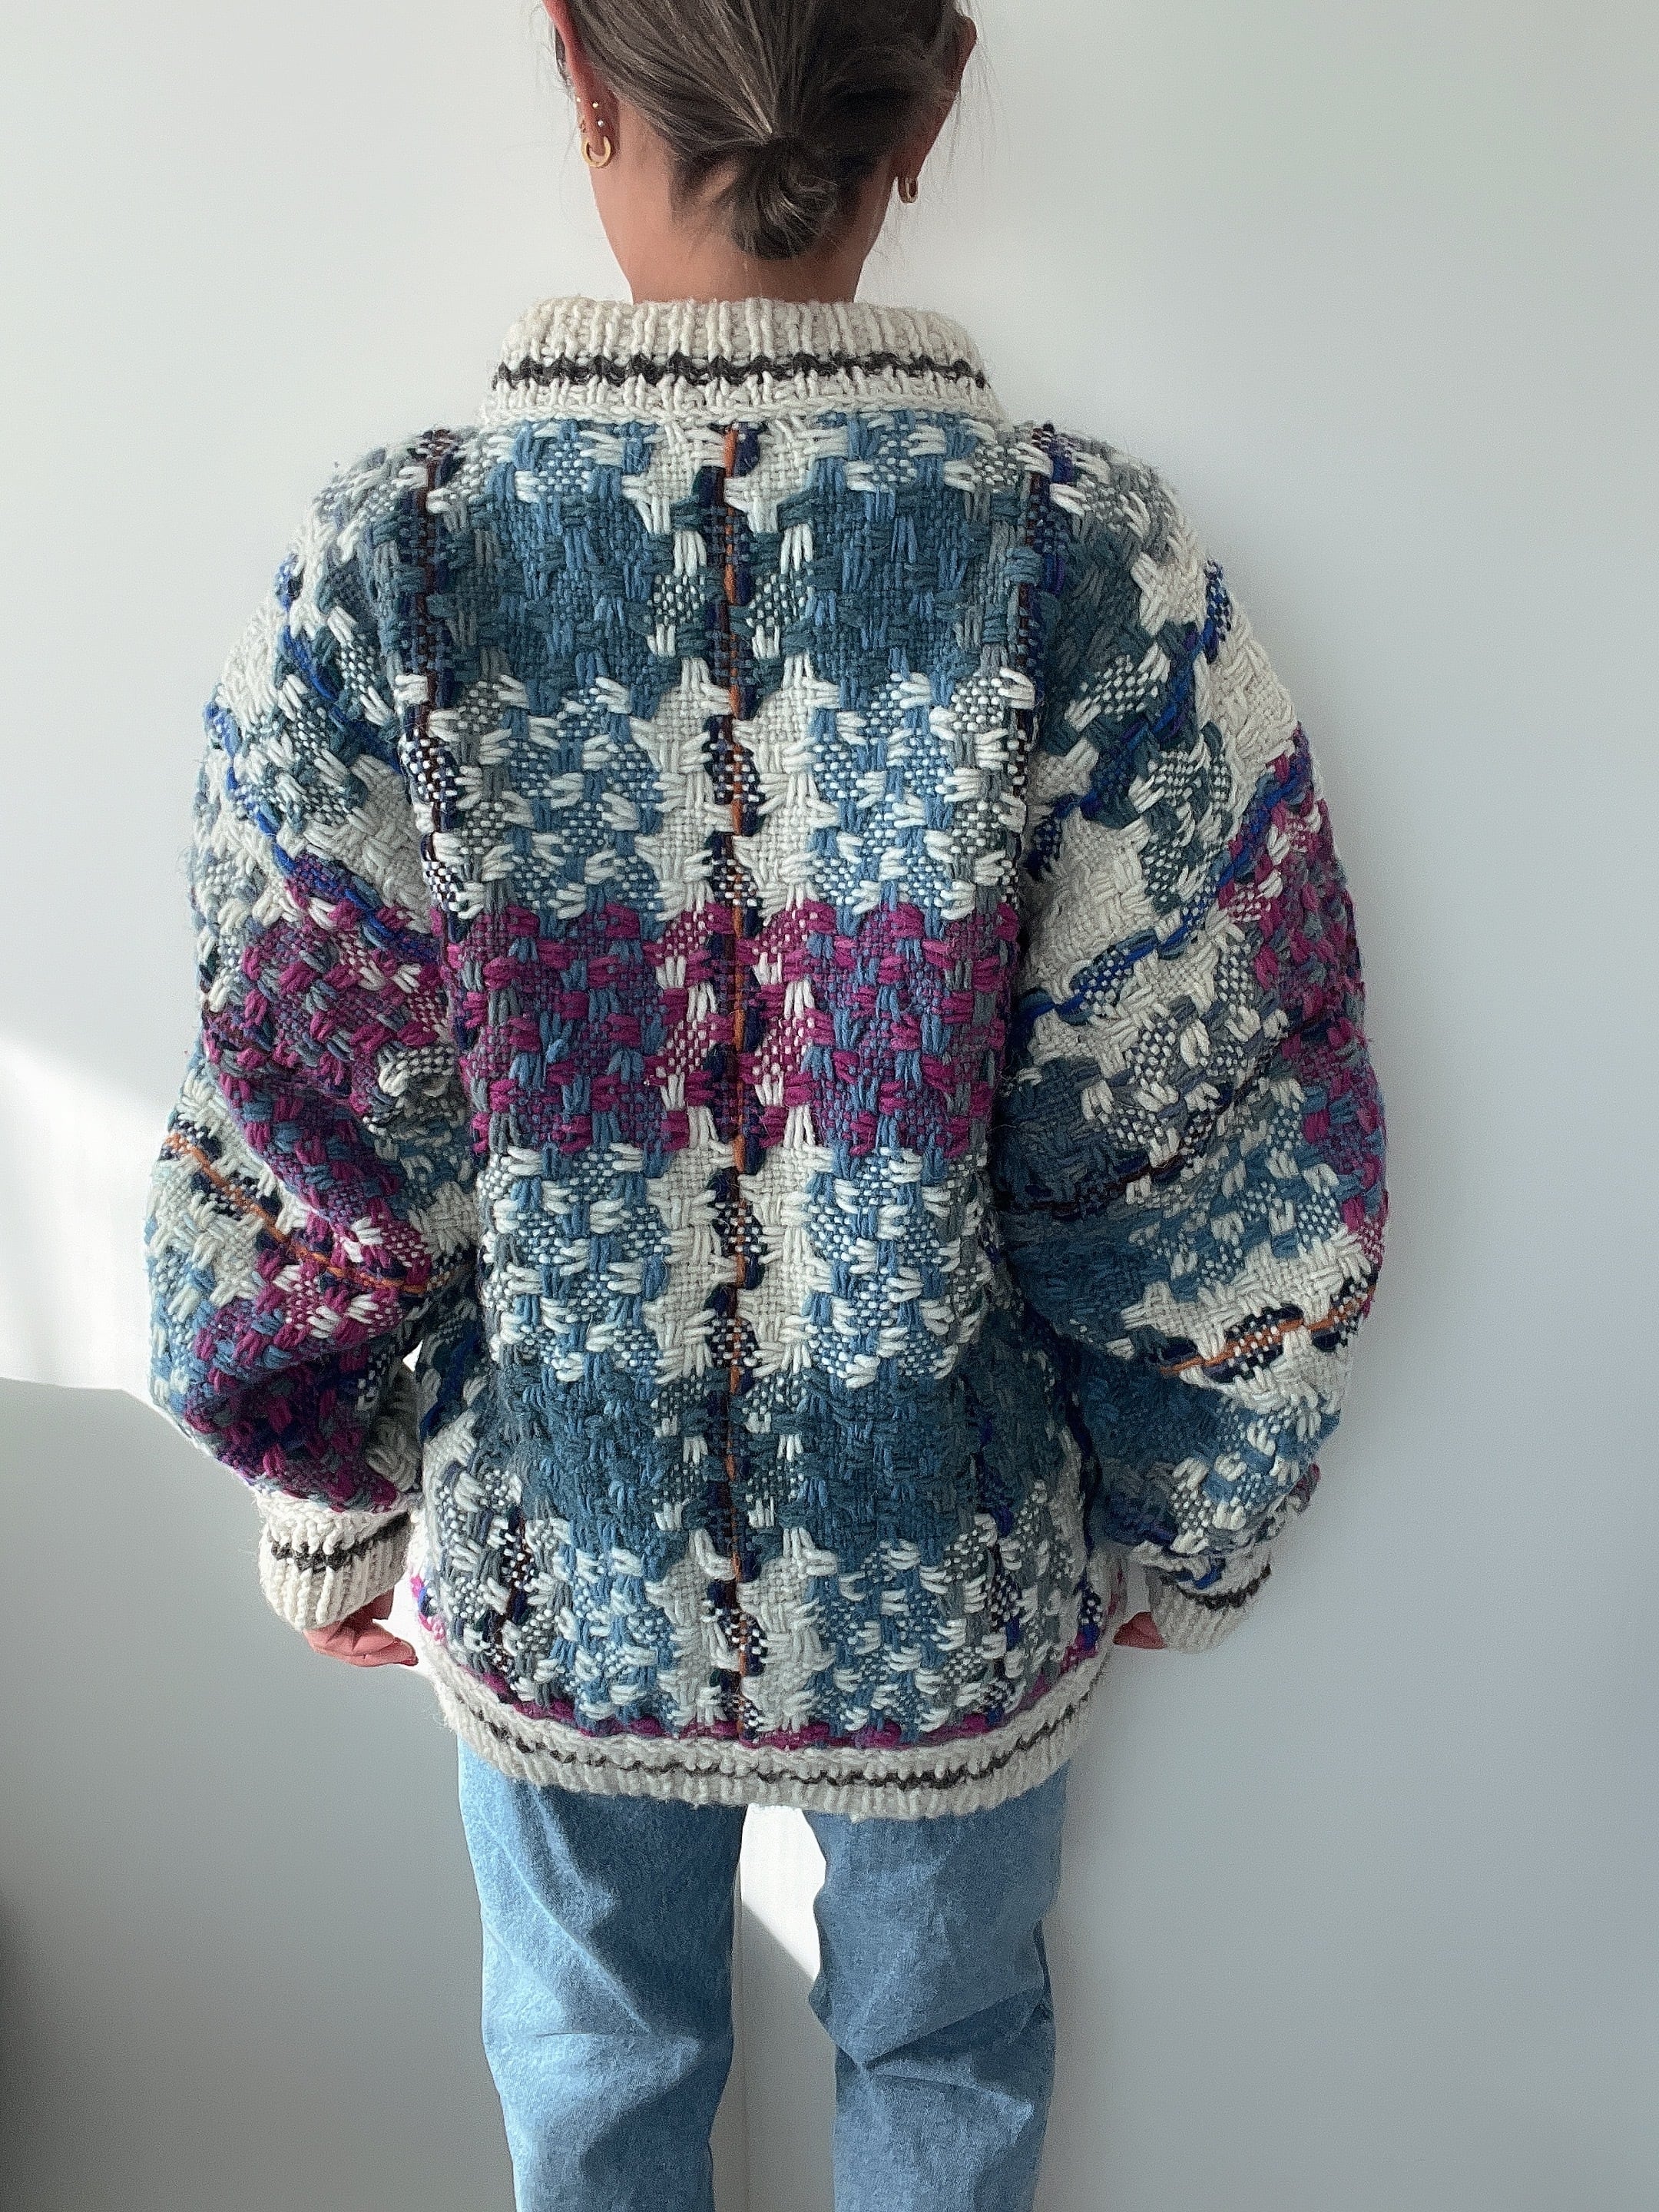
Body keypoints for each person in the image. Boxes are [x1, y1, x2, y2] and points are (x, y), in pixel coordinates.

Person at [142, 2, 1388, 2204]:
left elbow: (309, 1092)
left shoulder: (394, 567)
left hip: (560, 1569)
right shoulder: (1080, 559)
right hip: (955, 1553)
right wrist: (1204, 1498)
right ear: (933, 99)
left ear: (576, 69)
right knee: (948, 2057)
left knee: (595, 2071)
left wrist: (320, 1482)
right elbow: (1203, 1099)